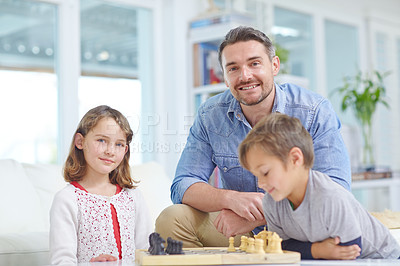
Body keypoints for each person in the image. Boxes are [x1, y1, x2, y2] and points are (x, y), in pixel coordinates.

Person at [155, 26, 351, 248]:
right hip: (241, 233)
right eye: (233, 68)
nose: (245, 76)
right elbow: (183, 185)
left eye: (254, 63)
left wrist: (261, 214)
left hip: (302, 227)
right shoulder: (210, 114)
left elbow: (337, 190)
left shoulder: (314, 110)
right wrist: (231, 199)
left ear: (274, 65)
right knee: (172, 219)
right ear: (225, 77)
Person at [238, 113, 400, 259]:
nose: (260, 184)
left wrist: (312, 251)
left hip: (381, 259)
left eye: (265, 173)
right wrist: (318, 250)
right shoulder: (271, 202)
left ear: (295, 159)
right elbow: (282, 247)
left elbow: (350, 251)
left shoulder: (330, 196)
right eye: (256, 175)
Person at [49, 105, 152, 264]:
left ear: (125, 150)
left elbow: (145, 253)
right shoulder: (67, 200)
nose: (110, 151)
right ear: (80, 141)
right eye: (102, 140)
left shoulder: (133, 197)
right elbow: (62, 261)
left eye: (118, 144)